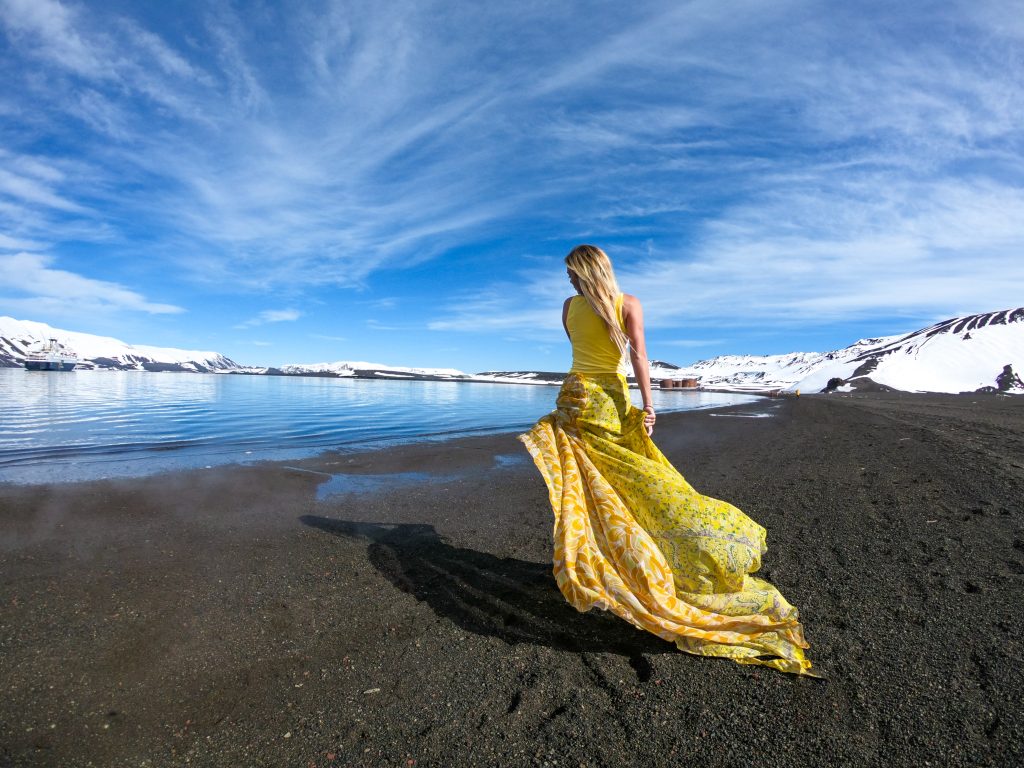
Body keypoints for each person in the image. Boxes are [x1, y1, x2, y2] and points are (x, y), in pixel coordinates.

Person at [519, 245, 814, 675]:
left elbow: (583, 353)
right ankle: (631, 561)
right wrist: (649, 405)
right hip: (609, 402)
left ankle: (604, 562)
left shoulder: (568, 308)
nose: (567, 281)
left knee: (592, 486)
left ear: (586, 271)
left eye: (571, 272)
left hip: (575, 400)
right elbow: (636, 357)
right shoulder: (628, 304)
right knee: (638, 483)